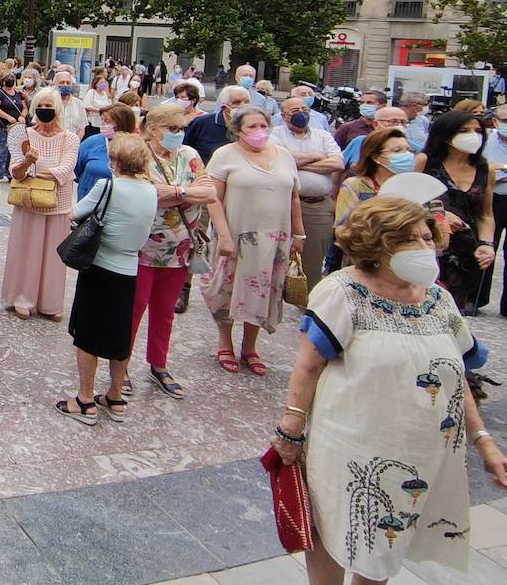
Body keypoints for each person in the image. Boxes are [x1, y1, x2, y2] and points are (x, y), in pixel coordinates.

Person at [275, 197, 507, 584]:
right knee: (334, 533)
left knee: (383, 546)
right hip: (348, 448)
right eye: (411, 240)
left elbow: (455, 375)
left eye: (426, 237)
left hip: (416, 453)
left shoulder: (438, 300)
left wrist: (483, 440)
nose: (426, 247)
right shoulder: (344, 291)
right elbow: (308, 365)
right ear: (380, 248)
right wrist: (291, 429)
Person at [57, 135, 158, 425]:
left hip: (100, 265)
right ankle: (115, 396)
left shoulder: (108, 186)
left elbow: (75, 213)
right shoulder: (151, 191)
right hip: (129, 269)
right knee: (119, 334)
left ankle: (85, 399)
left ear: (114, 161)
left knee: (87, 333)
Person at [201, 105, 304, 376]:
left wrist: (299, 233)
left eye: (263, 126)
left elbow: (294, 197)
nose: (259, 132)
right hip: (237, 235)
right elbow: (213, 199)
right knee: (227, 289)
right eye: (252, 127)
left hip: (274, 237)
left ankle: (250, 347)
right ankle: (225, 344)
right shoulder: (225, 156)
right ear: (237, 131)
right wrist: (223, 236)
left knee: (263, 290)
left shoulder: (283, 155)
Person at [134, 105, 214, 400]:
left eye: (182, 129)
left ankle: (159, 364)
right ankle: (122, 365)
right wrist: (186, 191)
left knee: (165, 311)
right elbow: (145, 193)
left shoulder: (190, 156)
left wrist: (175, 192)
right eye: (173, 129)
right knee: (133, 310)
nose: (179, 134)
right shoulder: (139, 154)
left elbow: (210, 193)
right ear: (154, 129)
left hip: (180, 248)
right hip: (142, 246)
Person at [2, 88, 81, 321]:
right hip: (28, 203)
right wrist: (27, 162)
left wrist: (34, 171)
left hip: (59, 204)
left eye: (49, 106)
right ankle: (22, 298)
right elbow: (15, 172)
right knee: (26, 251)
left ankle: (51, 302)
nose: (44, 110)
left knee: (55, 256)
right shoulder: (24, 135)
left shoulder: (71, 138)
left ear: (57, 109)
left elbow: (65, 171)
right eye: (41, 106)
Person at [416, 110, 496, 314]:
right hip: (428, 246)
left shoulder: (485, 169)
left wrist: (487, 244)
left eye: (478, 130)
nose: (473, 135)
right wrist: (437, 214)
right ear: (446, 133)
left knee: (453, 313)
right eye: (465, 130)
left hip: (466, 253)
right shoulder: (425, 162)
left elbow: (485, 214)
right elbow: (405, 200)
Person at [271, 96, 343, 288]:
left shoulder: (323, 136)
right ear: (284, 115)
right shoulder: (275, 135)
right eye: (295, 111)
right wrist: (319, 157)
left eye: (305, 109)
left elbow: (337, 163)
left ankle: (309, 297)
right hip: (283, 202)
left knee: (314, 254)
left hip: (318, 204)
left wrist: (298, 164)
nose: (302, 114)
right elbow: (279, 160)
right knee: (275, 251)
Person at [75, 104, 137, 201]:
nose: (103, 124)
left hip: (118, 202)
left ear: (121, 124)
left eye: (107, 121)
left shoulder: (135, 146)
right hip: (88, 200)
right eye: (102, 120)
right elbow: (77, 168)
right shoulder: (91, 142)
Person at [182, 85, 251, 164]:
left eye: (247, 102)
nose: (243, 106)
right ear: (224, 107)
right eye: (237, 102)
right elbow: (184, 151)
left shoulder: (253, 126)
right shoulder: (202, 123)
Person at [485, 105, 507, 316]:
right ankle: (476, 298)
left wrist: (500, 168)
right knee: (486, 246)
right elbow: (482, 170)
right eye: (505, 119)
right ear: (495, 121)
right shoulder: (486, 141)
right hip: (494, 198)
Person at [340, 104, 409, 169]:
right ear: (376, 124)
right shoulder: (363, 141)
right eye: (393, 121)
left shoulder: (408, 144)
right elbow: (351, 167)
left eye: (403, 122)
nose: (399, 125)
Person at [0, 72, 25, 180]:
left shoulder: (18, 93)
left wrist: (22, 115)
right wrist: (7, 117)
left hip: (16, 127)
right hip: (3, 126)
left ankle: (10, 171)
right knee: (2, 150)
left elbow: (24, 107)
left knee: (14, 150)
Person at [53, 70, 89, 138]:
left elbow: (82, 128)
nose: (65, 85)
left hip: (72, 144)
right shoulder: (48, 102)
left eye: (68, 83)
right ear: (55, 84)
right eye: (62, 82)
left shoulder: (79, 104)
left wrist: (74, 144)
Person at [83, 72, 112, 137]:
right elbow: (86, 105)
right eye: (101, 83)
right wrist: (99, 110)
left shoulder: (104, 94)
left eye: (104, 82)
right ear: (96, 84)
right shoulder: (92, 92)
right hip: (92, 120)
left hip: (102, 121)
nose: (103, 84)